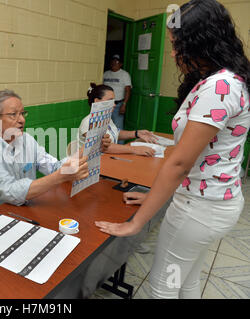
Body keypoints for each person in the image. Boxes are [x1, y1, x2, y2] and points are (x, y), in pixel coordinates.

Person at [95, 0, 250, 299]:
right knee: (188, 281)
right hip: (212, 205)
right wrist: (152, 197)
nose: (173, 52)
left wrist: (135, 225)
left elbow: (179, 163)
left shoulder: (221, 88)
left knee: (163, 287)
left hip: (198, 212)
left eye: (177, 44)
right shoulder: (228, 80)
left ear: (199, 42)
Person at [0, 90, 111, 217]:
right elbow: (11, 192)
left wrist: (91, 146)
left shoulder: (26, 140)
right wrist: (61, 175)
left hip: (23, 212)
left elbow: (54, 167)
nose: (22, 120)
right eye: (13, 114)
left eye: (22, 113)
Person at [78, 83, 158, 157]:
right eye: (110, 100)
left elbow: (115, 133)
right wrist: (136, 149)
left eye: (114, 101)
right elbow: (103, 147)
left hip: (107, 159)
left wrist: (137, 133)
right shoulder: (89, 122)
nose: (114, 105)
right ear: (96, 101)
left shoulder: (106, 118)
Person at [103, 54, 132, 133]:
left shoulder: (124, 74)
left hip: (118, 105)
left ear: (120, 64)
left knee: (118, 128)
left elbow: (128, 90)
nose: (114, 63)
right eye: (113, 61)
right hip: (105, 105)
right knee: (105, 127)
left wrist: (124, 104)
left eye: (116, 61)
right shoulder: (106, 74)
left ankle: (120, 145)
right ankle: (108, 145)